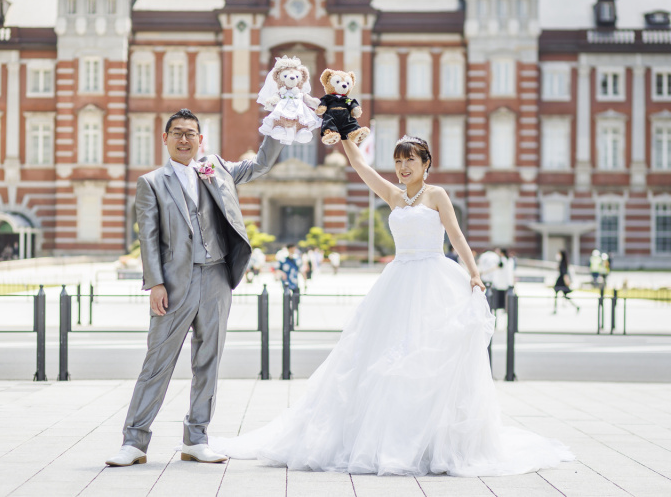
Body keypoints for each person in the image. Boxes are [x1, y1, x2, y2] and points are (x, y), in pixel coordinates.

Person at [211, 135, 573, 476]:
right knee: (379, 357)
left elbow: (456, 235)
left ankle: (429, 441)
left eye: (410, 160)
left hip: (434, 280)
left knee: (428, 359)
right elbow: (360, 166)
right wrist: (345, 134)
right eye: (398, 161)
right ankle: (389, 437)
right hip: (398, 281)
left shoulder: (437, 195)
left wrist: (474, 273)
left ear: (426, 163)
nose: (403, 167)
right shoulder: (394, 195)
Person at [105, 109, 284, 467]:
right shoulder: (151, 183)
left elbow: (262, 164)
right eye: (177, 133)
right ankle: (134, 442)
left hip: (217, 278)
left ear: (201, 140)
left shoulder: (216, 168)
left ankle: (197, 439)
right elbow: (148, 237)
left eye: (190, 133)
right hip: (174, 284)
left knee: (208, 361)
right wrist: (156, 283)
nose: (184, 139)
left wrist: (279, 123)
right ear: (165, 138)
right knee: (158, 362)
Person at [553, 249, 579, 314]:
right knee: (563, 295)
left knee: (559, 293)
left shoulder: (563, 263)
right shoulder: (563, 262)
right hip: (561, 280)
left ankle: (555, 309)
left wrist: (567, 281)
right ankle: (576, 306)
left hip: (561, 281)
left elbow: (564, 273)